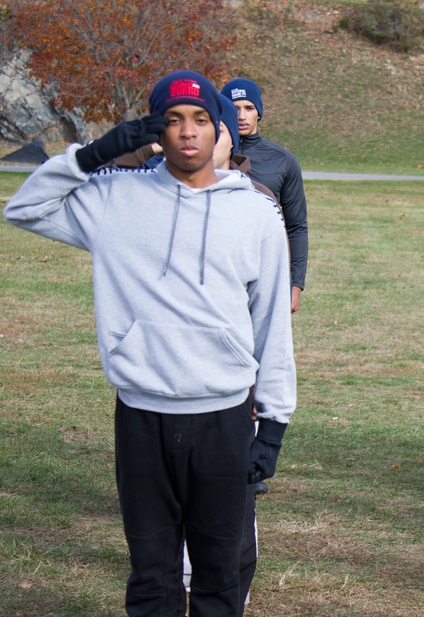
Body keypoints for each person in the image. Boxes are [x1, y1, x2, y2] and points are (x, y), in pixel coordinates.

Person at [4, 70, 296, 616]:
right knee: (153, 575)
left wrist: (273, 426)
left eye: (201, 120)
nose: (188, 132)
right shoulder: (115, 198)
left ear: (220, 131)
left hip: (224, 417)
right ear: (155, 132)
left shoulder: (256, 211)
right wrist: (93, 155)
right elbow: (24, 208)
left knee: (218, 574)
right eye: (173, 120)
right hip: (141, 415)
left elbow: (271, 323)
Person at [220, 77, 308, 312]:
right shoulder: (206, 156)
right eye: (234, 108)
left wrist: (296, 284)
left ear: (258, 113)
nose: (241, 115)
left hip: (264, 270)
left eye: (248, 108)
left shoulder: (283, 160)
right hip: (218, 270)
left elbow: (296, 226)